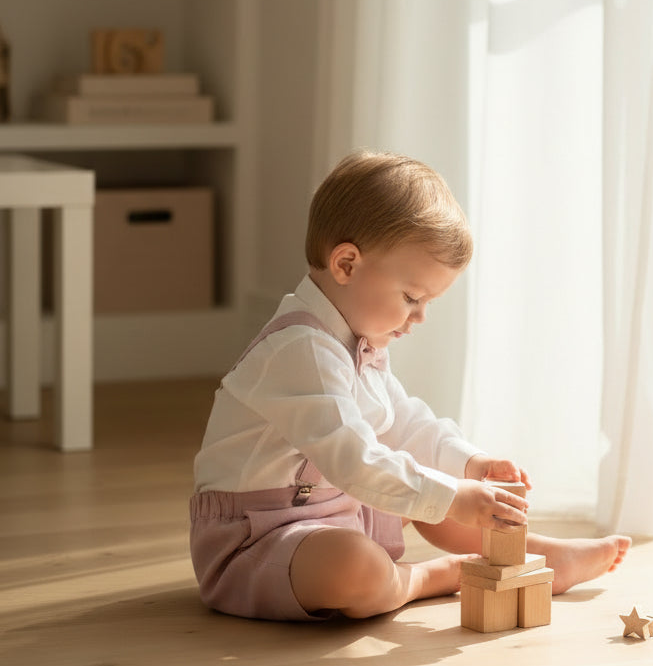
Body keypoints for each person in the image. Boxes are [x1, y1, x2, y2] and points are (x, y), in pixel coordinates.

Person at [190, 151, 630, 622]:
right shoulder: (300, 350)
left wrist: (467, 463)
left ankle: (531, 555)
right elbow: (355, 460)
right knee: (358, 565)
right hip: (257, 537)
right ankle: (431, 577)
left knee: (434, 490)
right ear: (345, 264)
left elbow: (404, 423)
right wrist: (452, 497)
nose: (419, 317)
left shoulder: (359, 342)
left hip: (335, 511)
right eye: (411, 298)